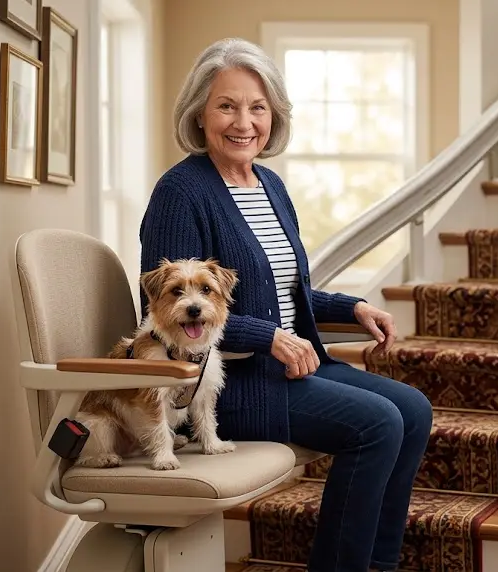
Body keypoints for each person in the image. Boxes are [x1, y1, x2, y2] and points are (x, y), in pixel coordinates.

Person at [138, 38, 433, 572]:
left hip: (289, 368)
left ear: (274, 114)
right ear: (199, 115)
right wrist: (267, 337)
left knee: (413, 409)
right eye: (226, 106)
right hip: (230, 384)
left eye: (257, 107)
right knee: (378, 424)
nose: (244, 121)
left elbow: (279, 290)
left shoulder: (269, 184)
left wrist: (351, 307)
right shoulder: (181, 192)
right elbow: (174, 311)